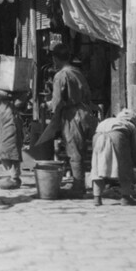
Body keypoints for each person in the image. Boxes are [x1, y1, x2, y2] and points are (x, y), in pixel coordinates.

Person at [49, 42, 95, 198]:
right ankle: (80, 183)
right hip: (85, 112)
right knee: (82, 150)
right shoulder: (77, 71)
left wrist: (52, 116)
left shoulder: (60, 75)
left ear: (56, 59)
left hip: (72, 116)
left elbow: (56, 102)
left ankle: (78, 186)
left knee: (74, 151)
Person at [0, 55, 29, 190]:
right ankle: (11, 175)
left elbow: (21, 99)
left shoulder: (5, 91)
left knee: (11, 149)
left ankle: (15, 177)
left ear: (0, 79)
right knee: (3, 150)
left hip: (9, 122)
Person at [90, 108, 136, 206]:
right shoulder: (130, 125)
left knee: (97, 167)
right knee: (125, 166)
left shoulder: (107, 120)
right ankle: (126, 198)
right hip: (117, 135)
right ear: (132, 119)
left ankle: (97, 198)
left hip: (97, 136)